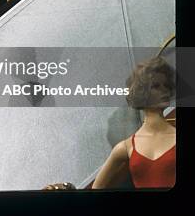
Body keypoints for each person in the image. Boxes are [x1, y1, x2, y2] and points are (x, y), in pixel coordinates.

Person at [44, 56, 176, 190]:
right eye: (156, 86)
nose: (164, 90)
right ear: (143, 92)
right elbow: (96, 190)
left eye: (166, 85)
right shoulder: (125, 147)